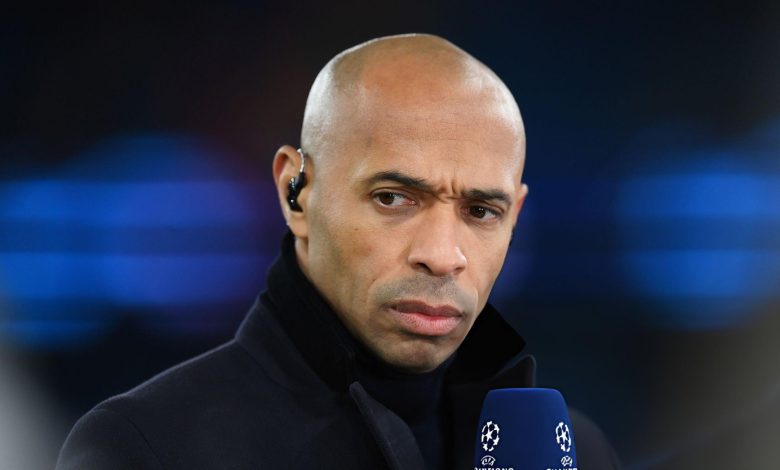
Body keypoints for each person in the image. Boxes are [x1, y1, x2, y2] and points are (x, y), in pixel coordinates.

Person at [56, 33, 620, 470]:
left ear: (514, 218)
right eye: (393, 198)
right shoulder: (149, 448)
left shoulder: (578, 453)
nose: (442, 254)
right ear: (296, 193)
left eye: (480, 211)